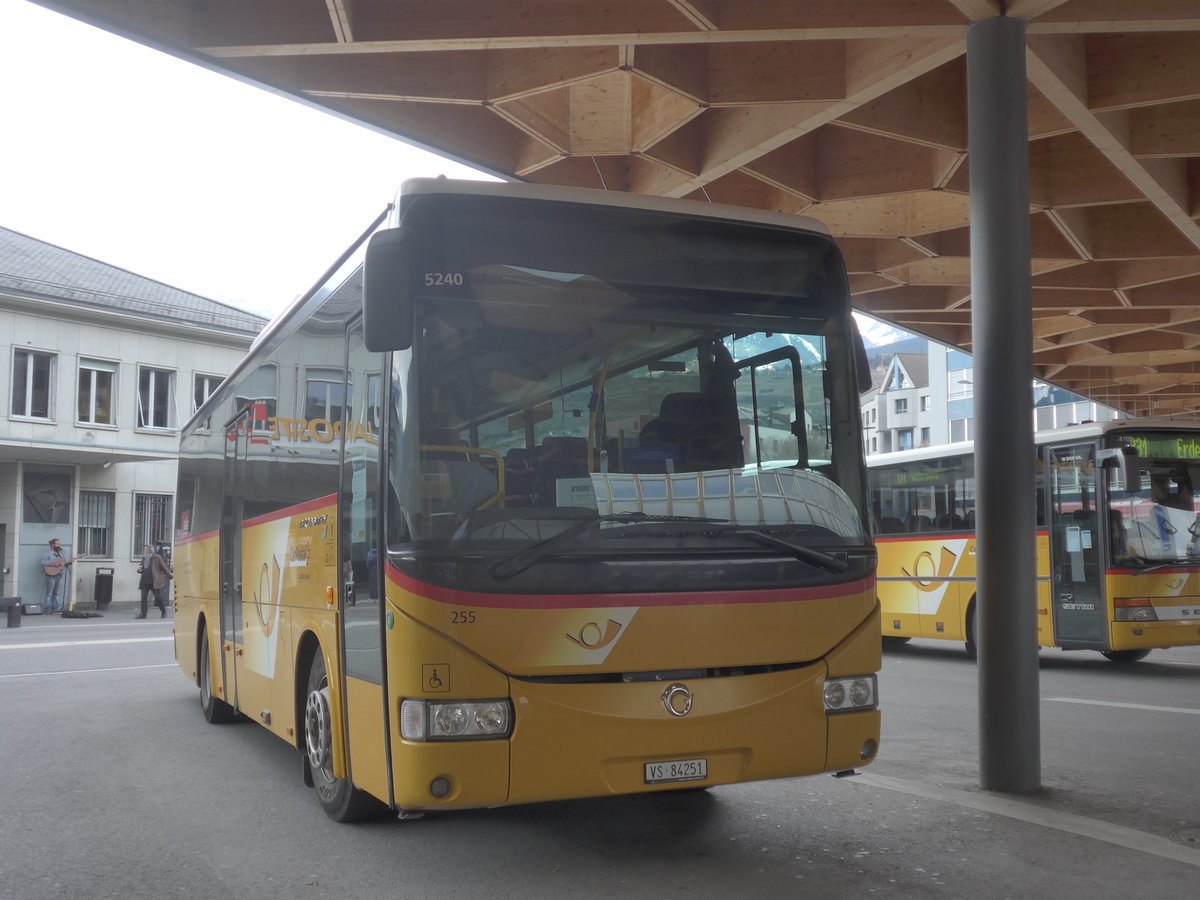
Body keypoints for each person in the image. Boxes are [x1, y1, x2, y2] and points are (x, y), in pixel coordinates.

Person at [136, 543, 171, 619]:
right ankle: (143, 614)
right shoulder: (145, 558)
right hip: (144, 581)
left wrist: (169, 574)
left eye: (148, 549)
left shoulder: (156, 557)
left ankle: (163, 611)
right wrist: (139, 570)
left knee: (158, 597)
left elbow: (163, 566)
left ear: (152, 550)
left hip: (153, 581)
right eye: (145, 549)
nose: (146, 551)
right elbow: (143, 568)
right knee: (143, 598)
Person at [40, 537, 70, 614]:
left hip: (58, 575)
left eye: (59, 544)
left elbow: (61, 565)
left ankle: (55, 608)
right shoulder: (47, 554)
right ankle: (48, 609)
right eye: (57, 544)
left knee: (55, 593)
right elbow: (43, 562)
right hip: (50, 575)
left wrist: (65, 565)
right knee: (49, 593)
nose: (59, 545)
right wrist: (53, 563)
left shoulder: (61, 555)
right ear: (52, 545)